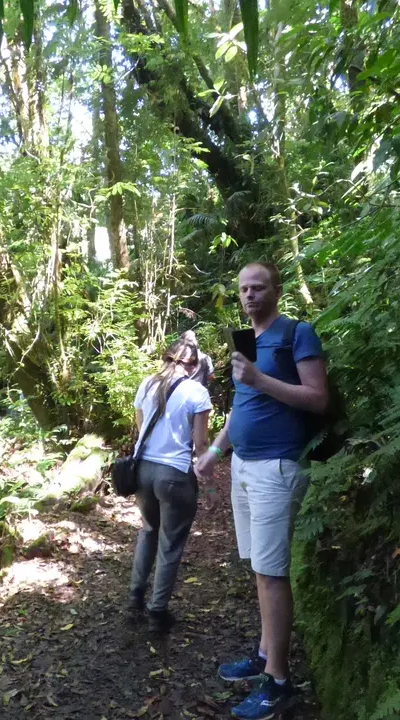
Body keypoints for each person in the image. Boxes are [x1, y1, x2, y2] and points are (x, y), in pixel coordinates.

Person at [195, 262, 329, 720]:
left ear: (276, 290)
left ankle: (279, 681)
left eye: (258, 287)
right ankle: (264, 654)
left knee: (273, 573)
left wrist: (260, 379)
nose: (250, 295)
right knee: (259, 567)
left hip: (278, 465)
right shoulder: (245, 339)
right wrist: (215, 452)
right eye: (243, 289)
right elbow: (241, 405)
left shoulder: (297, 333)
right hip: (243, 466)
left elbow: (318, 398)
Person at [128, 337, 212, 632]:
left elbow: (141, 427)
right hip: (174, 473)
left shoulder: (147, 384)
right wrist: (208, 480)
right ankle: (157, 612)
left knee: (149, 530)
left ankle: (135, 596)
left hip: (142, 471)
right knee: (171, 543)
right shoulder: (197, 392)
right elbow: (201, 443)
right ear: (194, 365)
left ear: (166, 358)